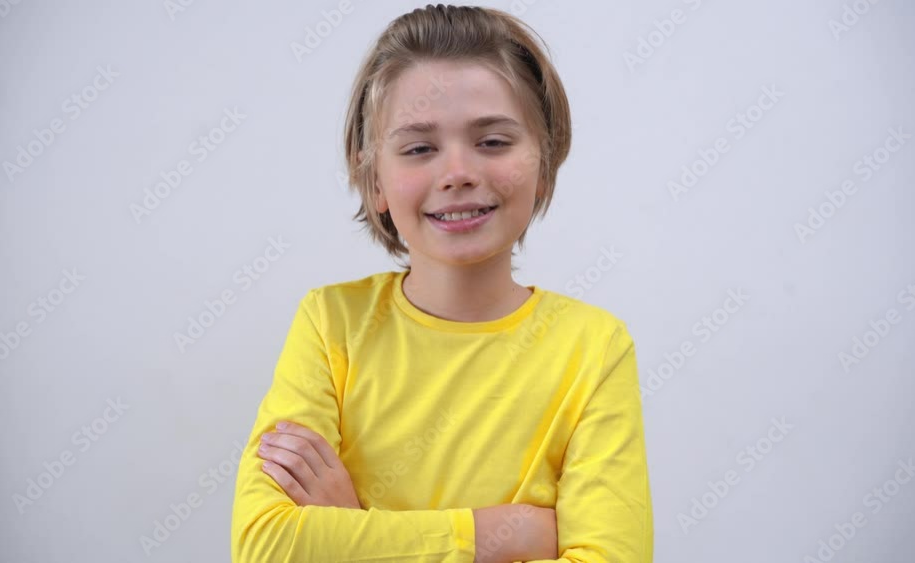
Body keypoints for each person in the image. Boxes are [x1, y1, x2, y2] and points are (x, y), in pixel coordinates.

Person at [231, 4, 652, 562]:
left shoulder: (594, 349)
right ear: (373, 180)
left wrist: (356, 531)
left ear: (544, 163)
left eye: (493, 142)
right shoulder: (331, 325)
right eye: (419, 149)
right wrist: (503, 535)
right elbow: (266, 547)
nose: (458, 173)